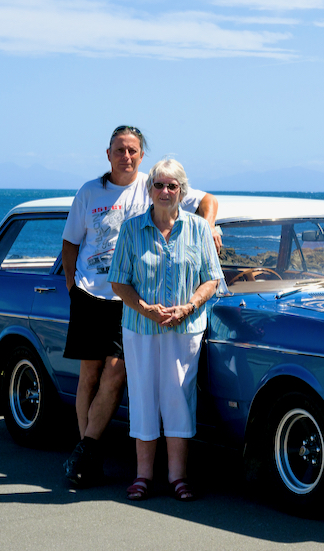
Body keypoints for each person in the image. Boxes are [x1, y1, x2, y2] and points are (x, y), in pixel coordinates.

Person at [60, 126, 219, 487]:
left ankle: (87, 452)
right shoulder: (90, 192)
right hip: (91, 294)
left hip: (131, 302)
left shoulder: (155, 182)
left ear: (141, 155)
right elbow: (69, 243)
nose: (126, 156)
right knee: (89, 375)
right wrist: (72, 288)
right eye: (120, 150)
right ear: (108, 154)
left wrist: (207, 229)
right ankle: (88, 455)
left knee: (115, 375)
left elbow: (207, 201)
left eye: (132, 150)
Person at [108, 158, 223, 501]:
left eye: (172, 186)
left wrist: (188, 307)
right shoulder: (131, 229)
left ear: (181, 191)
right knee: (143, 396)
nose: (165, 191)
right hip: (140, 327)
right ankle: (143, 476)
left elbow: (212, 279)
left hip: (185, 327)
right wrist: (146, 309)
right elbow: (118, 281)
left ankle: (178, 478)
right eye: (158, 185)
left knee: (179, 398)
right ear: (150, 190)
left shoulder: (199, 229)